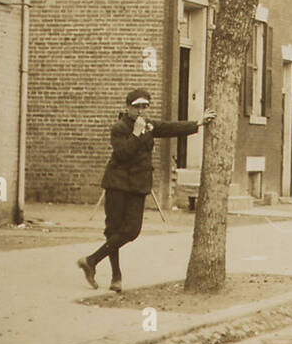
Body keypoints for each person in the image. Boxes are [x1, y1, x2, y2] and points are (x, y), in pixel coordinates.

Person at [78, 88, 213, 293]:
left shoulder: (149, 126)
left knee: (132, 230)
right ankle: (116, 277)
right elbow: (123, 153)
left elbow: (170, 128)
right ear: (127, 108)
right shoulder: (119, 128)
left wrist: (198, 123)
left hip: (138, 186)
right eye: (136, 106)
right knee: (113, 230)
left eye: (144, 106)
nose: (141, 110)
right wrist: (136, 134)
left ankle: (91, 260)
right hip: (118, 185)